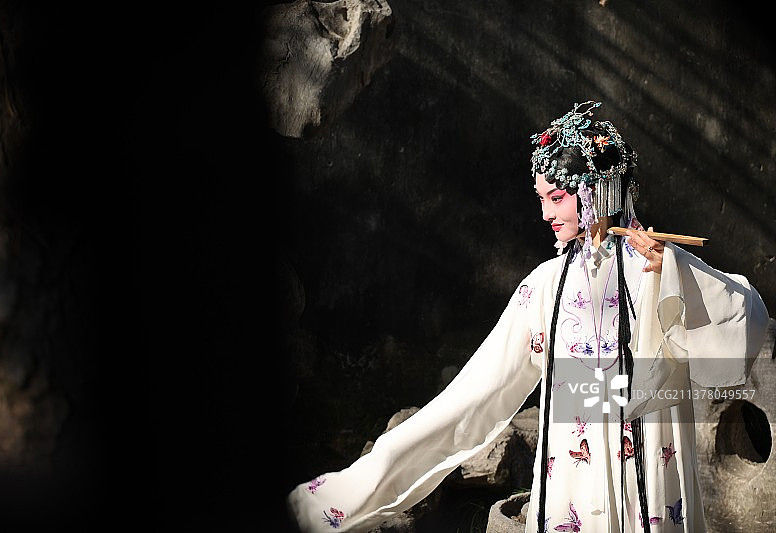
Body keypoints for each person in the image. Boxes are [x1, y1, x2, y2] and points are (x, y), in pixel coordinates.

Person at [284, 101, 770, 532]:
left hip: (648, 469)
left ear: (596, 192)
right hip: (573, 475)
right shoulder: (544, 286)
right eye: (541, 198)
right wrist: (379, 464)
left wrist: (679, 272)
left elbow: (747, 320)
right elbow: (474, 395)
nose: (544, 214)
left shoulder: (661, 269)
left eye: (556, 198)